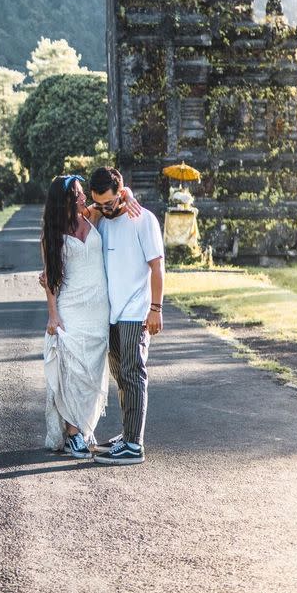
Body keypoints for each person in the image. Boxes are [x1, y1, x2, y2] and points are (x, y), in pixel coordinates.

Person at [40, 174, 140, 459]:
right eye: (79, 194)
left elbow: (120, 193)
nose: (85, 198)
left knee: (94, 373)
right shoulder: (53, 234)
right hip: (72, 309)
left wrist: (130, 195)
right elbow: (50, 279)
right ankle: (73, 434)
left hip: (99, 310)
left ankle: (84, 428)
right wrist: (53, 316)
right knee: (74, 371)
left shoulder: (91, 216)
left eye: (84, 193)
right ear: (65, 201)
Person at [86, 166, 165, 466]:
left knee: (134, 373)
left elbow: (157, 266)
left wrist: (155, 309)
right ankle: (128, 433)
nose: (105, 208)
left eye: (110, 202)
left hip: (135, 311)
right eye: (99, 204)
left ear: (121, 192)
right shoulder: (103, 221)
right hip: (111, 314)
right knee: (121, 376)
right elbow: (84, 216)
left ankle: (135, 444)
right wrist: (101, 209)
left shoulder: (143, 219)